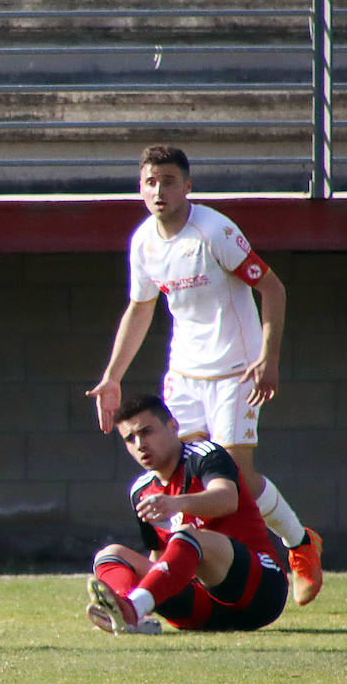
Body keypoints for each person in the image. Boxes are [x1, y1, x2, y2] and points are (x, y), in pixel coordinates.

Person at [87, 144, 323, 606]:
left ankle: (299, 545)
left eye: (169, 181)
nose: (159, 191)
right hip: (184, 376)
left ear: (188, 186)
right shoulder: (144, 242)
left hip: (237, 372)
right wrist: (113, 375)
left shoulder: (214, 230)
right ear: (140, 187)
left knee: (236, 480)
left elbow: (272, 288)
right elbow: (140, 307)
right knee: (186, 478)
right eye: (151, 182)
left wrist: (269, 358)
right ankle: (198, 570)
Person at [86, 394, 288, 635]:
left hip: (259, 593)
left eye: (147, 432)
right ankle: (126, 613)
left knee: (186, 535)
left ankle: (132, 608)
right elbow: (160, 555)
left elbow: (227, 498)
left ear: (173, 427)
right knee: (109, 556)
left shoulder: (205, 454)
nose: (140, 444)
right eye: (130, 438)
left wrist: (176, 503)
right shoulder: (140, 490)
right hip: (201, 609)